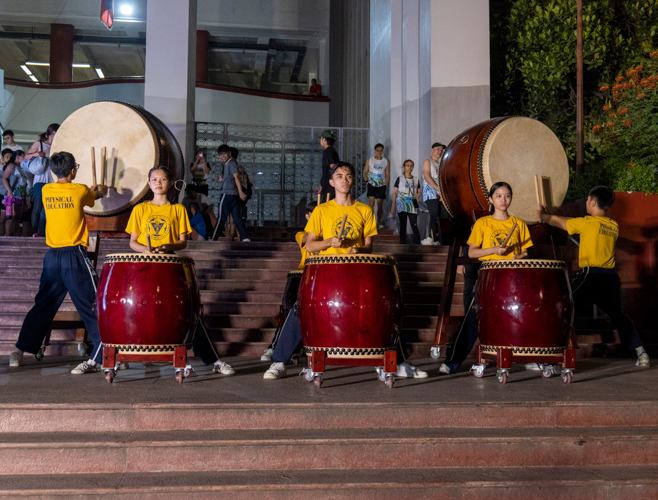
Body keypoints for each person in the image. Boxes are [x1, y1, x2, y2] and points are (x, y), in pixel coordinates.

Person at [264, 161, 427, 380]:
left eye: (348, 176)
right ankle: (279, 361)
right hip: (325, 274)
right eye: (339, 176)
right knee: (301, 310)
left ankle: (399, 362)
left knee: (386, 311)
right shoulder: (322, 211)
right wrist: (330, 242)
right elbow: (310, 245)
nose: (344, 180)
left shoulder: (364, 210)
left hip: (357, 274)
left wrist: (357, 248)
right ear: (332, 182)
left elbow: (369, 246)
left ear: (353, 180)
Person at [126, 166, 234, 375]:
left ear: (170, 182)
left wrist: (167, 247)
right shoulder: (140, 209)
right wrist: (145, 249)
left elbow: (183, 242)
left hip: (170, 265)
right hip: (144, 264)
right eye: (154, 179)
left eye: (163, 179)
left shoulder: (177, 210)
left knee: (188, 312)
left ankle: (214, 360)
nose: (158, 183)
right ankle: (118, 353)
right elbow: (132, 241)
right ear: (149, 184)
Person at [8, 152, 108, 373]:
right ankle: (104, 354)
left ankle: (19, 351)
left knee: (43, 305)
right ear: (73, 170)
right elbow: (94, 195)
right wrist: (100, 191)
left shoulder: (46, 190)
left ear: (52, 171)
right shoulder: (80, 190)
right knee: (93, 303)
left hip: (52, 257)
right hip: (74, 256)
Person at [536, 186, 650, 368]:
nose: (586, 204)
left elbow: (564, 223)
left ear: (594, 202)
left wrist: (544, 217)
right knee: (618, 316)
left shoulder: (587, 222)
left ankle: (549, 360)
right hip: (610, 279)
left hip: (591, 276)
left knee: (564, 308)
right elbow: (577, 223)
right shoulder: (613, 225)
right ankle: (641, 353)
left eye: (588, 201)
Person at [440, 182, 533, 374]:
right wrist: (494, 250)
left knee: (523, 316)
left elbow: (525, 252)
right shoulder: (483, 223)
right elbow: (472, 253)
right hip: (489, 276)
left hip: (513, 277)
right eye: (498, 196)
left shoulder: (518, 224)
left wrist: (518, 256)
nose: (503, 200)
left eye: (507, 196)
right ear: (490, 199)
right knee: (472, 318)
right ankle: (452, 362)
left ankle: (531, 357)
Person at [261, 200, 318, 362]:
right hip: (301, 275)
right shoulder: (301, 234)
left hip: (319, 277)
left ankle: (297, 350)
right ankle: (274, 347)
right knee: (289, 314)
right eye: (314, 214)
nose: (318, 217)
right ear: (308, 216)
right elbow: (308, 239)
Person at [24, 124, 59, 237]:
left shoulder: (57, 146)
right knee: (38, 207)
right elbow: (25, 156)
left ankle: (43, 232)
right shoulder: (39, 144)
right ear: (53, 133)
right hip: (40, 180)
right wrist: (36, 154)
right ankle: (34, 232)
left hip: (52, 181)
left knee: (48, 208)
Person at [211, 145, 250, 242]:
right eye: (220, 154)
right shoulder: (230, 163)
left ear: (229, 153)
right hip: (234, 195)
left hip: (228, 194)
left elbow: (237, 177)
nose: (222, 156)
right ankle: (244, 237)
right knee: (237, 217)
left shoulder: (231, 163)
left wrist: (241, 192)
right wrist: (222, 179)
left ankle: (213, 238)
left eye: (224, 154)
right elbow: (232, 178)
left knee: (221, 218)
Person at [391, 159, 421, 244]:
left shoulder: (416, 179)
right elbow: (395, 192)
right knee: (403, 225)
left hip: (412, 204)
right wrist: (393, 205)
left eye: (411, 165)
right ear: (404, 167)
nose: (409, 167)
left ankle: (417, 243)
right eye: (407, 165)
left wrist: (417, 197)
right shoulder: (399, 179)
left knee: (414, 224)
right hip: (402, 204)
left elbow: (419, 192)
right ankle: (403, 243)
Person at [421, 142, 445, 245]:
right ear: (432, 150)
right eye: (437, 149)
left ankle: (438, 238)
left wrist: (441, 193)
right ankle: (431, 238)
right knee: (434, 213)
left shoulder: (440, 164)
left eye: (441, 150)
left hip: (439, 191)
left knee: (440, 215)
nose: (439, 151)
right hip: (430, 190)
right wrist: (437, 189)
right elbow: (427, 176)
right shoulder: (428, 161)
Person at [363, 143, 390, 228]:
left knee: (379, 204)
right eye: (377, 150)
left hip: (381, 185)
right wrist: (367, 182)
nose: (379, 152)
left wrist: (385, 185)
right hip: (372, 184)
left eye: (381, 150)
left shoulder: (386, 161)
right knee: (371, 203)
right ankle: (370, 222)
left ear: (383, 151)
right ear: (375, 151)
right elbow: (365, 172)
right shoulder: (370, 160)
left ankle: (379, 222)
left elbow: (387, 174)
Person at [0, 149, 26, 236]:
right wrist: (9, 190)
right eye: (23, 157)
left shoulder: (21, 168)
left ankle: (15, 237)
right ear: (18, 157)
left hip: (20, 195)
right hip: (12, 194)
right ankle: (8, 237)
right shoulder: (11, 166)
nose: (25, 158)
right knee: (11, 216)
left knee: (17, 218)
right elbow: (4, 178)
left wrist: (26, 197)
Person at [228, 147, 252, 242]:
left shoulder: (231, 167)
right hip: (243, 195)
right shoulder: (242, 168)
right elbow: (248, 181)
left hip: (234, 193)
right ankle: (239, 237)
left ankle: (232, 238)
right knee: (238, 216)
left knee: (233, 217)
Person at [317, 130, 339, 202]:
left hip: (329, 186)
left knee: (326, 205)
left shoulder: (327, 151)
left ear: (324, 139)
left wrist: (329, 182)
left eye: (321, 138)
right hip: (330, 184)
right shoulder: (332, 151)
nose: (320, 140)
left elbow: (333, 166)